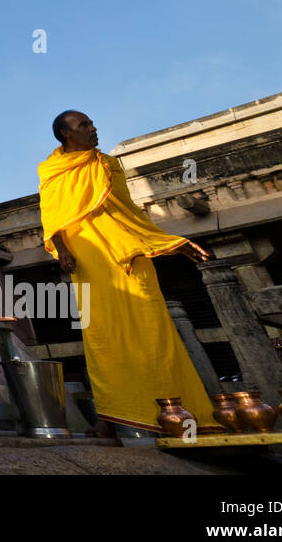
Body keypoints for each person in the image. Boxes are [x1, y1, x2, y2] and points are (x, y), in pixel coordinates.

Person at [39, 110, 221, 435]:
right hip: (86, 257)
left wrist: (166, 242)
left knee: (154, 331)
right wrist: (63, 251)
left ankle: (180, 412)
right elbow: (51, 215)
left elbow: (129, 212)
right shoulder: (51, 170)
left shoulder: (105, 164)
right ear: (66, 134)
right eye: (84, 125)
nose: (93, 129)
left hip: (125, 252)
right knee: (103, 337)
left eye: (92, 123)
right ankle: (109, 419)